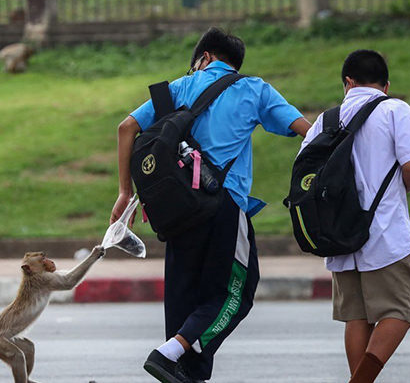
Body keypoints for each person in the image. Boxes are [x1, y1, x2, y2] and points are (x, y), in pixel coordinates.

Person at [110, 27, 311, 383]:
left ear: (204, 58)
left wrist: (125, 193)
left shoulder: (175, 89)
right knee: (236, 291)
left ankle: (183, 370)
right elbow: (304, 130)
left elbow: (127, 127)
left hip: (176, 211)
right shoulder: (254, 88)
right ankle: (168, 353)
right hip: (223, 205)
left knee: (183, 297)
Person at [298, 49, 410, 383]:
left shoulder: (326, 121)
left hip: (339, 236)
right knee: (402, 306)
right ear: (386, 85)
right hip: (384, 233)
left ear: (348, 82)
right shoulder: (394, 109)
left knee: (357, 317)